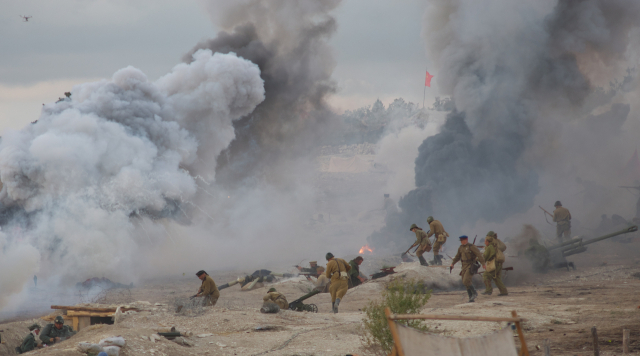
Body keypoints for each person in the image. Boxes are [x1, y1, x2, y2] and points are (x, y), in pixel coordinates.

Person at [450, 235, 486, 303]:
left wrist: (483, 263)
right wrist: (452, 264)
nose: (461, 242)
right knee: (465, 282)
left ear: (466, 239)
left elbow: (479, 254)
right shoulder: (461, 247)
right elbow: (457, 256)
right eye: (460, 241)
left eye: (462, 240)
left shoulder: (471, 246)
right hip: (464, 266)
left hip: (471, 265)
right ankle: (470, 297)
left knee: (466, 280)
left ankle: (474, 293)